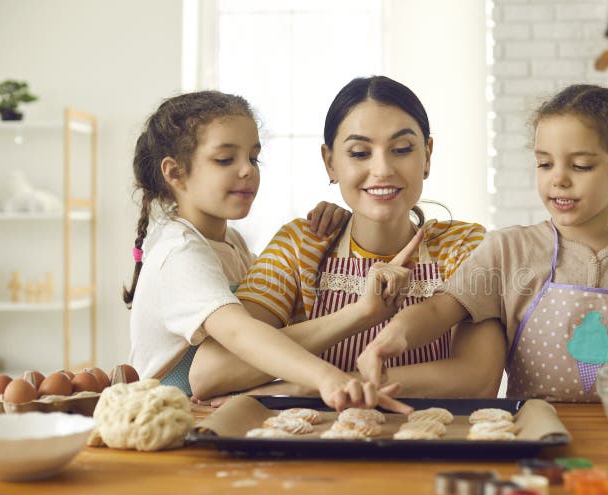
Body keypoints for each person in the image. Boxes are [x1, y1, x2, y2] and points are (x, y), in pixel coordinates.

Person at [357, 83, 608, 402]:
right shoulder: (509, 250)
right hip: (537, 429)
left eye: (580, 166)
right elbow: (440, 310)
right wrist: (391, 339)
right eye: (545, 164)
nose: (558, 180)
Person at [188, 76, 506, 404]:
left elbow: (477, 379)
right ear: (330, 162)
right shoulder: (300, 245)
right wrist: (360, 313)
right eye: (359, 152)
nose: (382, 169)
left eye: (401, 150)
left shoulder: (465, 246)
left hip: (430, 444)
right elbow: (210, 372)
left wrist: (306, 388)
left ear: (427, 156)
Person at [123, 90, 409, 413]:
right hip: (164, 422)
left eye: (253, 157)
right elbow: (241, 333)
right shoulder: (180, 255)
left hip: (204, 415)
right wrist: (328, 377)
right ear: (175, 173)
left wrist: (341, 222)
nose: (247, 170)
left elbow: (280, 311)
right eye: (225, 159)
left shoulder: (232, 243)